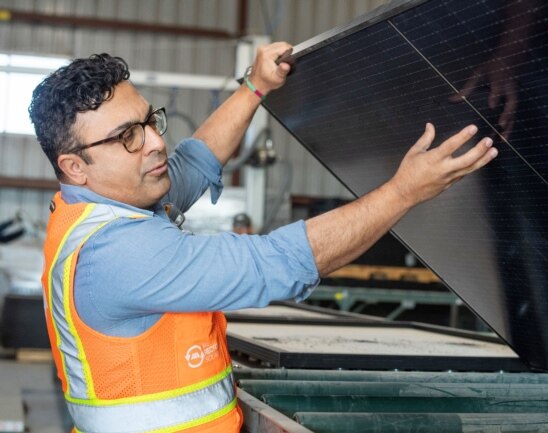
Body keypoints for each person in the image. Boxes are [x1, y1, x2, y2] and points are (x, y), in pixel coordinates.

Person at [29, 42, 497, 433]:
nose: (154, 141)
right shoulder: (117, 255)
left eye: (150, 121)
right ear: (75, 166)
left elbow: (195, 161)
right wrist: (402, 193)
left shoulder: (108, 202)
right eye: (128, 136)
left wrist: (255, 87)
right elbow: (278, 262)